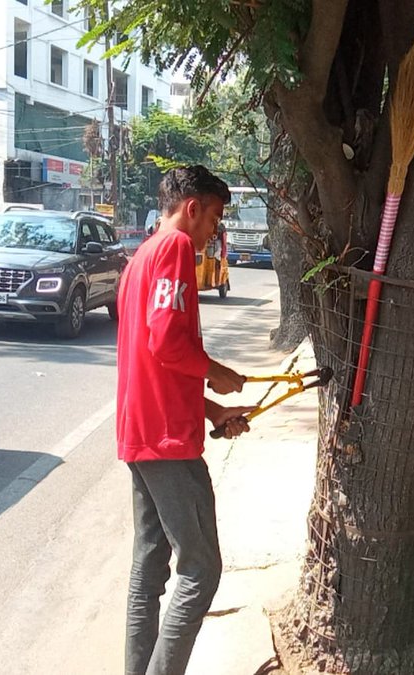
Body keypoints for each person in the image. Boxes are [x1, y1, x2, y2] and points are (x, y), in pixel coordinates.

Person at [116, 165, 255, 675]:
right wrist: (217, 373)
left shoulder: (142, 257)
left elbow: (157, 363)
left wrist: (214, 410)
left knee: (150, 567)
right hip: (167, 443)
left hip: (142, 432)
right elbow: (168, 344)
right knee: (200, 569)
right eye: (215, 218)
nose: (215, 232)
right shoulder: (174, 249)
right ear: (192, 208)